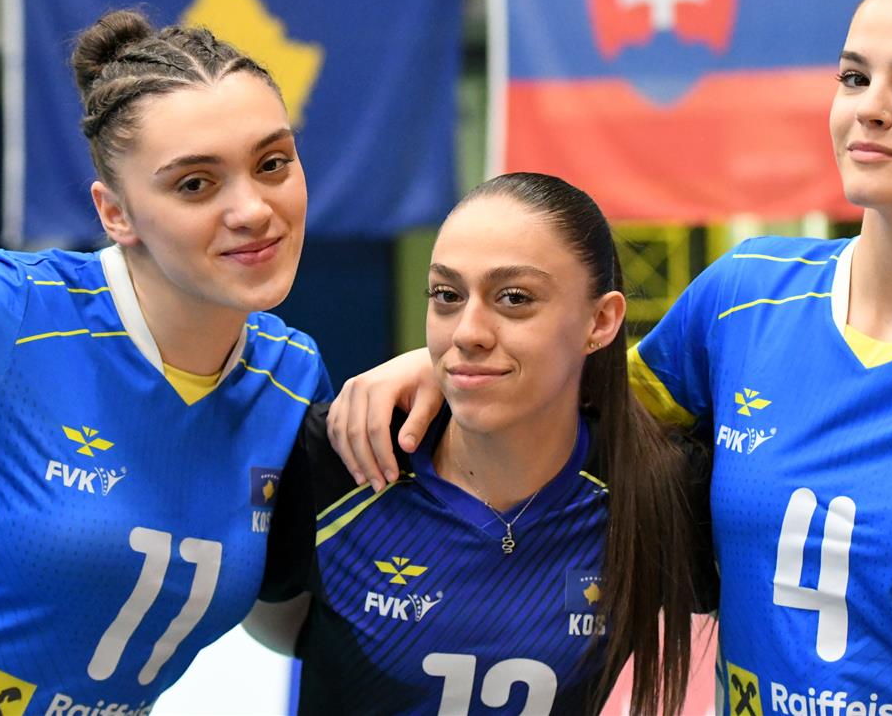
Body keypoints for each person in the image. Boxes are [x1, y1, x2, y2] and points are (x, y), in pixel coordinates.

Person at [327, 0, 892, 714]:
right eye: (854, 76)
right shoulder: (746, 295)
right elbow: (575, 407)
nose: (870, 108)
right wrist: (442, 363)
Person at [0, 13, 332, 713]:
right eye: (195, 183)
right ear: (114, 212)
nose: (252, 209)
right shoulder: (5, 313)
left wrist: (436, 380)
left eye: (273, 163)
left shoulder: (292, 378)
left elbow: (296, 623)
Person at [250, 172, 713, 715]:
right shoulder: (342, 457)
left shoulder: (660, 489)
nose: (467, 331)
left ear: (601, 320)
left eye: (514, 298)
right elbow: (276, 622)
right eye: (447, 295)